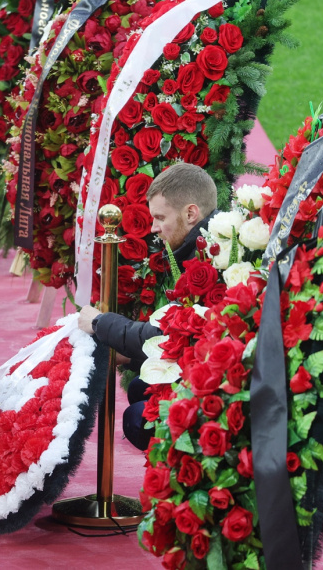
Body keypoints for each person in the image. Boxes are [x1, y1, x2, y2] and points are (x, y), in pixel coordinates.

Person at [78, 163, 218, 450]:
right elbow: (180, 336)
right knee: (139, 387)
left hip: (220, 385)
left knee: (136, 420)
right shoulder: (207, 244)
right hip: (206, 365)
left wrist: (99, 322)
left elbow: (167, 334)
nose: (153, 228)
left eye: (160, 217)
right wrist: (129, 357)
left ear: (190, 214)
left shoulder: (214, 259)